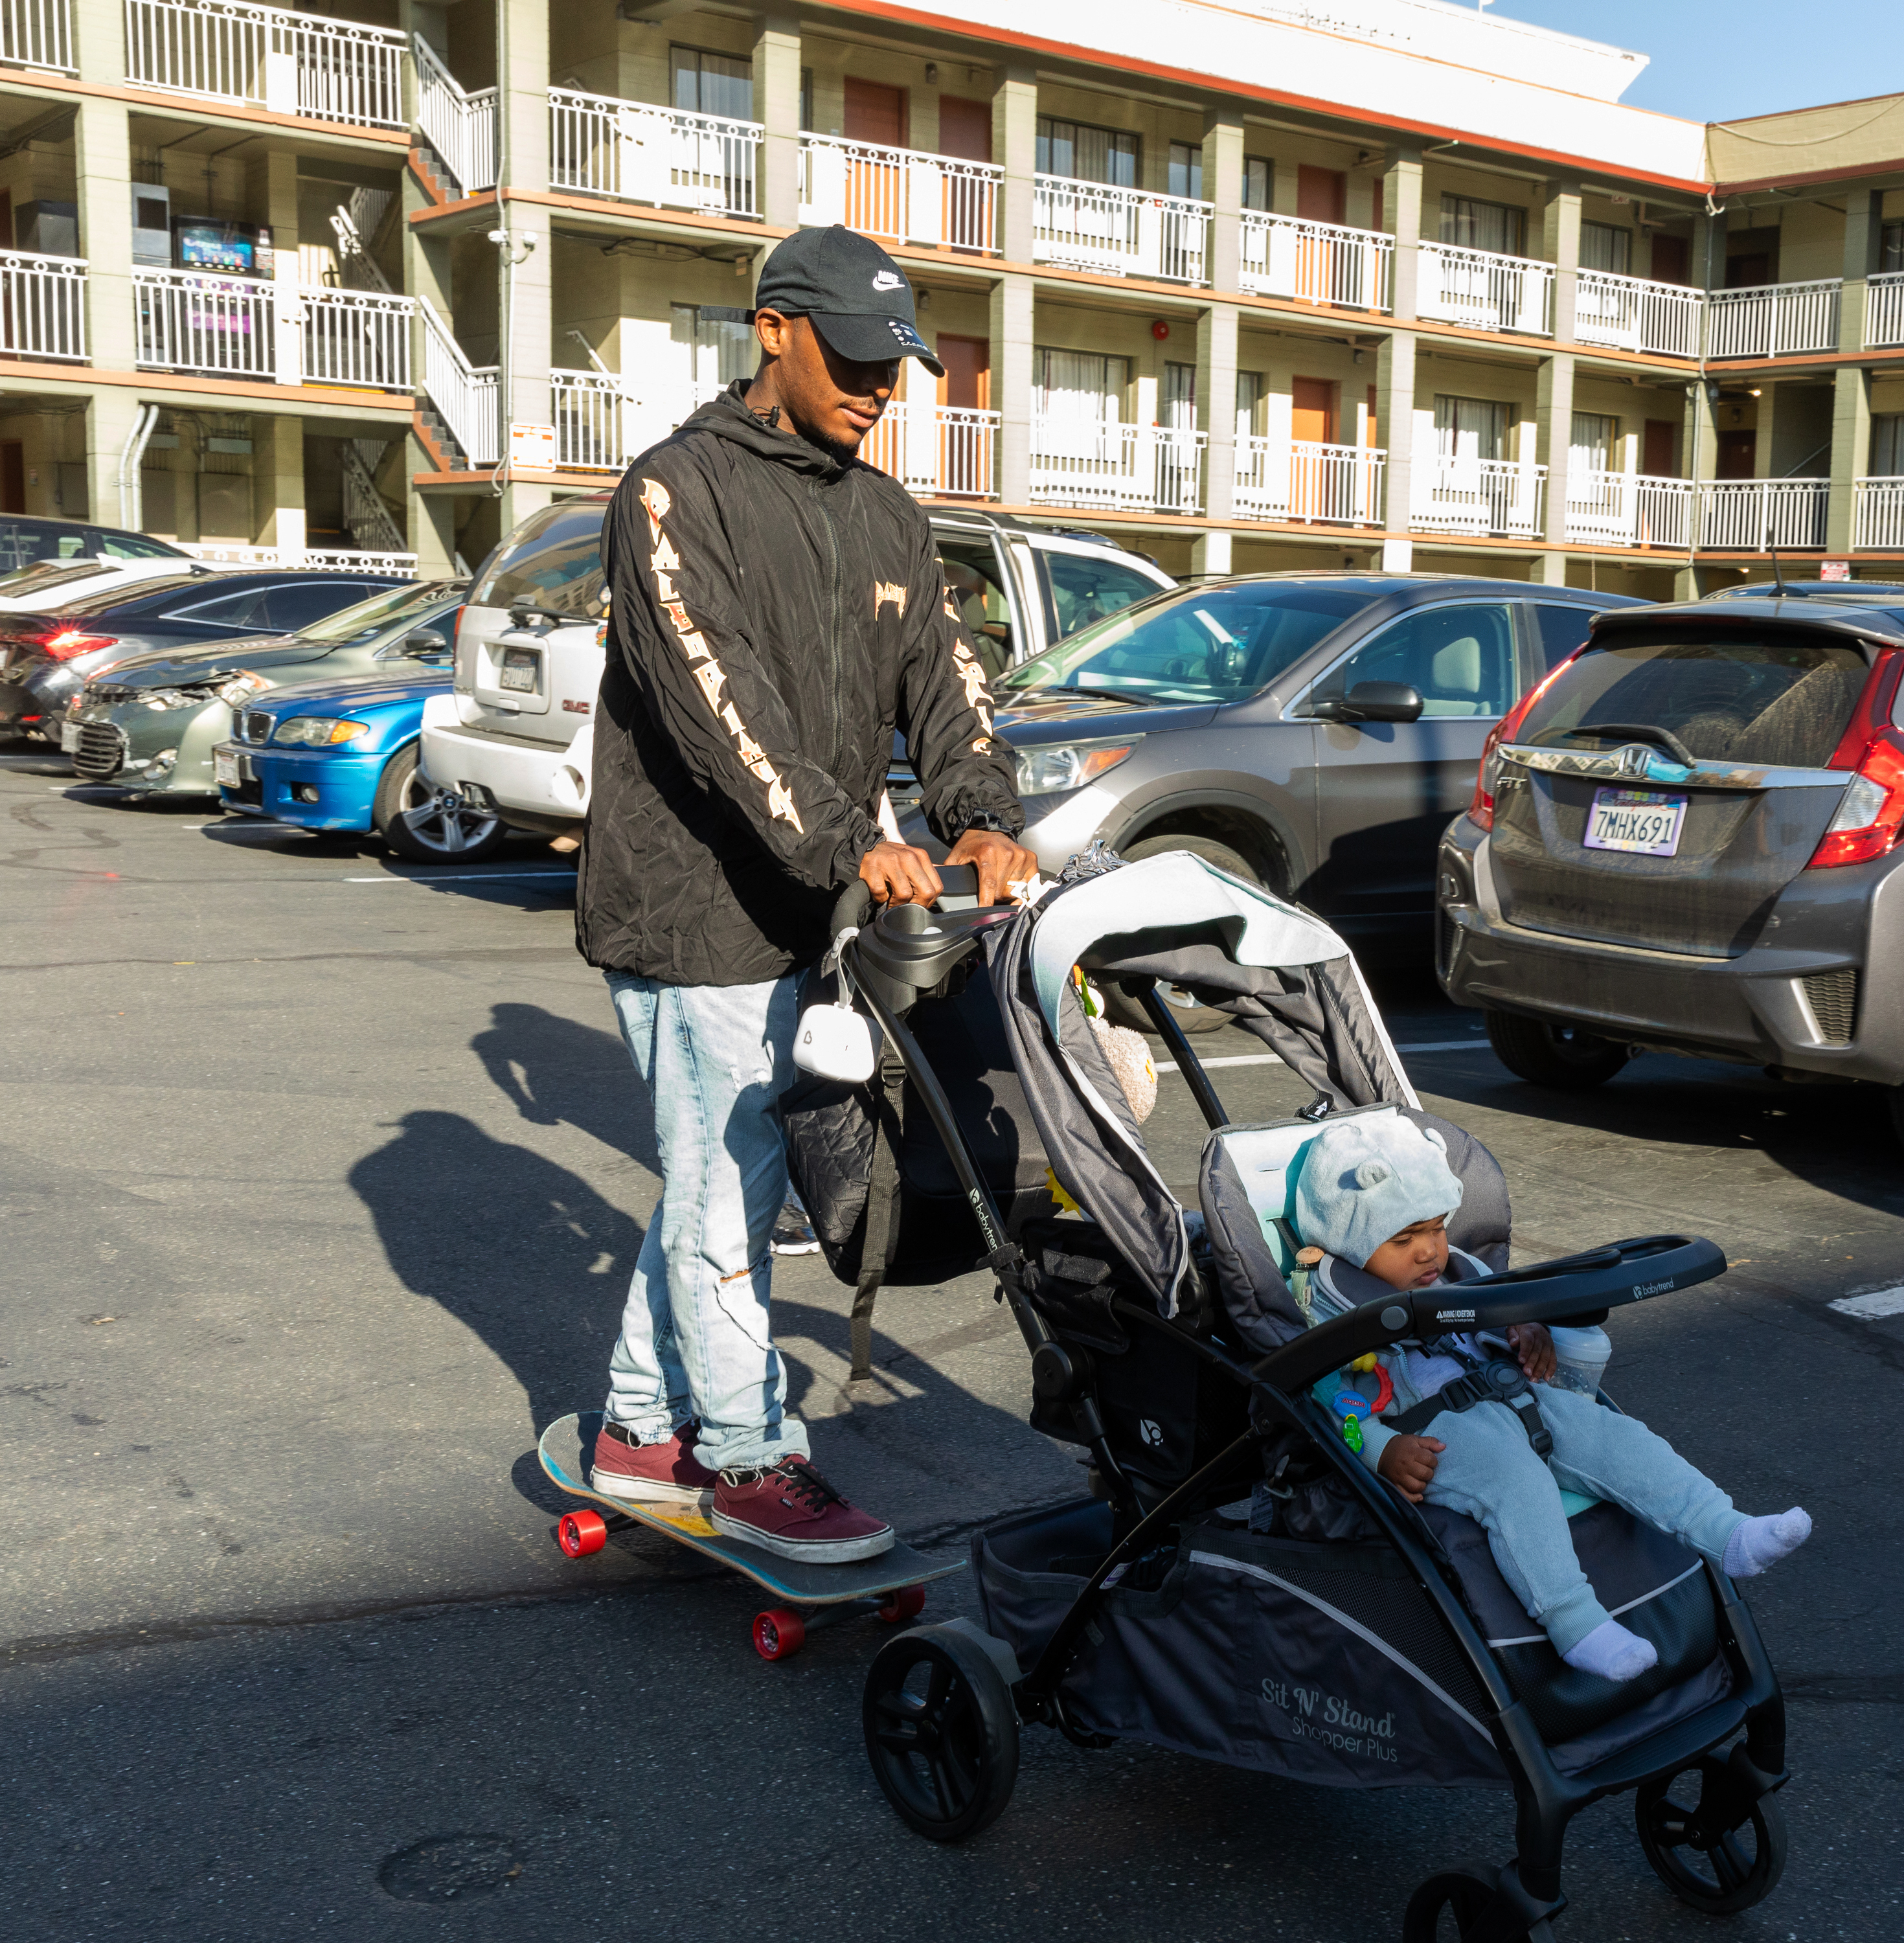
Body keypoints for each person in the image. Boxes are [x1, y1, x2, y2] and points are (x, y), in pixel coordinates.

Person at [574, 224, 1037, 1565]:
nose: (878, 388)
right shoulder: (672, 493)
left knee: (717, 1179)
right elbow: (723, 708)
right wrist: (850, 842)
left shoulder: (889, 512)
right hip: (687, 905)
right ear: (772, 328)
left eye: (896, 366)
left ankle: (635, 1423)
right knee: (730, 1184)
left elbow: (951, 692)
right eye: (852, 357)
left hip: (816, 906)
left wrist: (985, 819)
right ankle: (745, 1456)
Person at [1292, 1115, 1811, 1682]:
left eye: (1437, 1228)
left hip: (1520, 1400)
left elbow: (1494, 1321)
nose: (1429, 1252)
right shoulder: (1334, 1312)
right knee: (1517, 1483)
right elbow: (1332, 1401)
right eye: (1403, 1239)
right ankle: (1575, 1624)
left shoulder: (1457, 1277)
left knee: (1619, 1439)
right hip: (1441, 1436)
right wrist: (1382, 1451)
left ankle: (1727, 1531)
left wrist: (1524, 1329)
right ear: (1348, 1237)